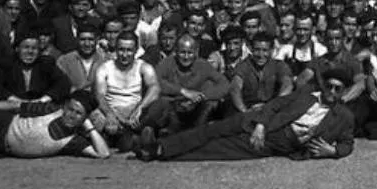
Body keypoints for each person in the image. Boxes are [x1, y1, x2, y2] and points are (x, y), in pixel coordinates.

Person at [133, 68, 355, 162]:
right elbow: (275, 105)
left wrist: (333, 151)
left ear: (343, 91)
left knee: (219, 149)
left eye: (338, 88)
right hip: (261, 122)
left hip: (280, 142)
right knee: (211, 130)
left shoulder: (344, 116)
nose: (332, 92)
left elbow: (348, 143)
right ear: (324, 85)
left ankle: (161, 154)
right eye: (330, 86)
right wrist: (260, 125)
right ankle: (157, 146)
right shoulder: (307, 95)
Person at [0, 89, 110, 160]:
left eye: (78, 113)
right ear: (64, 106)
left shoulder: (73, 141)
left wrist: (89, 127)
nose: (71, 115)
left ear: (84, 118)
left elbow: (103, 153)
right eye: (70, 109)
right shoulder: (50, 109)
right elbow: (15, 105)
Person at [91, 31, 161, 150]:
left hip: (136, 114)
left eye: (129, 50)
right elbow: (100, 95)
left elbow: (155, 88)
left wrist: (140, 108)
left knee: (160, 105)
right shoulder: (105, 68)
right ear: (116, 50)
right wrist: (110, 114)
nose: (124, 54)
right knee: (97, 117)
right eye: (121, 49)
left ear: (136, 50)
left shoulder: (144, 67)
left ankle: (135, 137)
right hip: (112, 113)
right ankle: (128, 139)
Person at [148, 34, 230, 134]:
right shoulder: (167, 63)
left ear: (196, 53)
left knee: (212, 104)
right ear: (176, 52)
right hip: (173, 105)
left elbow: (224, 84)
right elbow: (155, 81)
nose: (186, 57)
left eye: (190, 53)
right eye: (182, 52)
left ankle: (197, 133)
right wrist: (183, 92)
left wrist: (202, 96)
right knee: (162, 102)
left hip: (196, 107)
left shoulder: (203, 65)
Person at [229, 32, 294, 114]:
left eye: (265, 50)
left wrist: (274, 106)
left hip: (272, 109)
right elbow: (235, 88)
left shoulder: (279, 65)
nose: (261, 55)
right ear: (251, 49)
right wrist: (244, 111)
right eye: (257, 50)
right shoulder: (243, 66)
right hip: (248, 109)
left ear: (271, 50)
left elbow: (287, 84)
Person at [57, 23, 107, 92]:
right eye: (83, 40)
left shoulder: (105, 61)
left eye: (90, 39)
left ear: (97, 40)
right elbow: (59, 87)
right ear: (77, 40)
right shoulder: (64, 61)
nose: (87, 44)